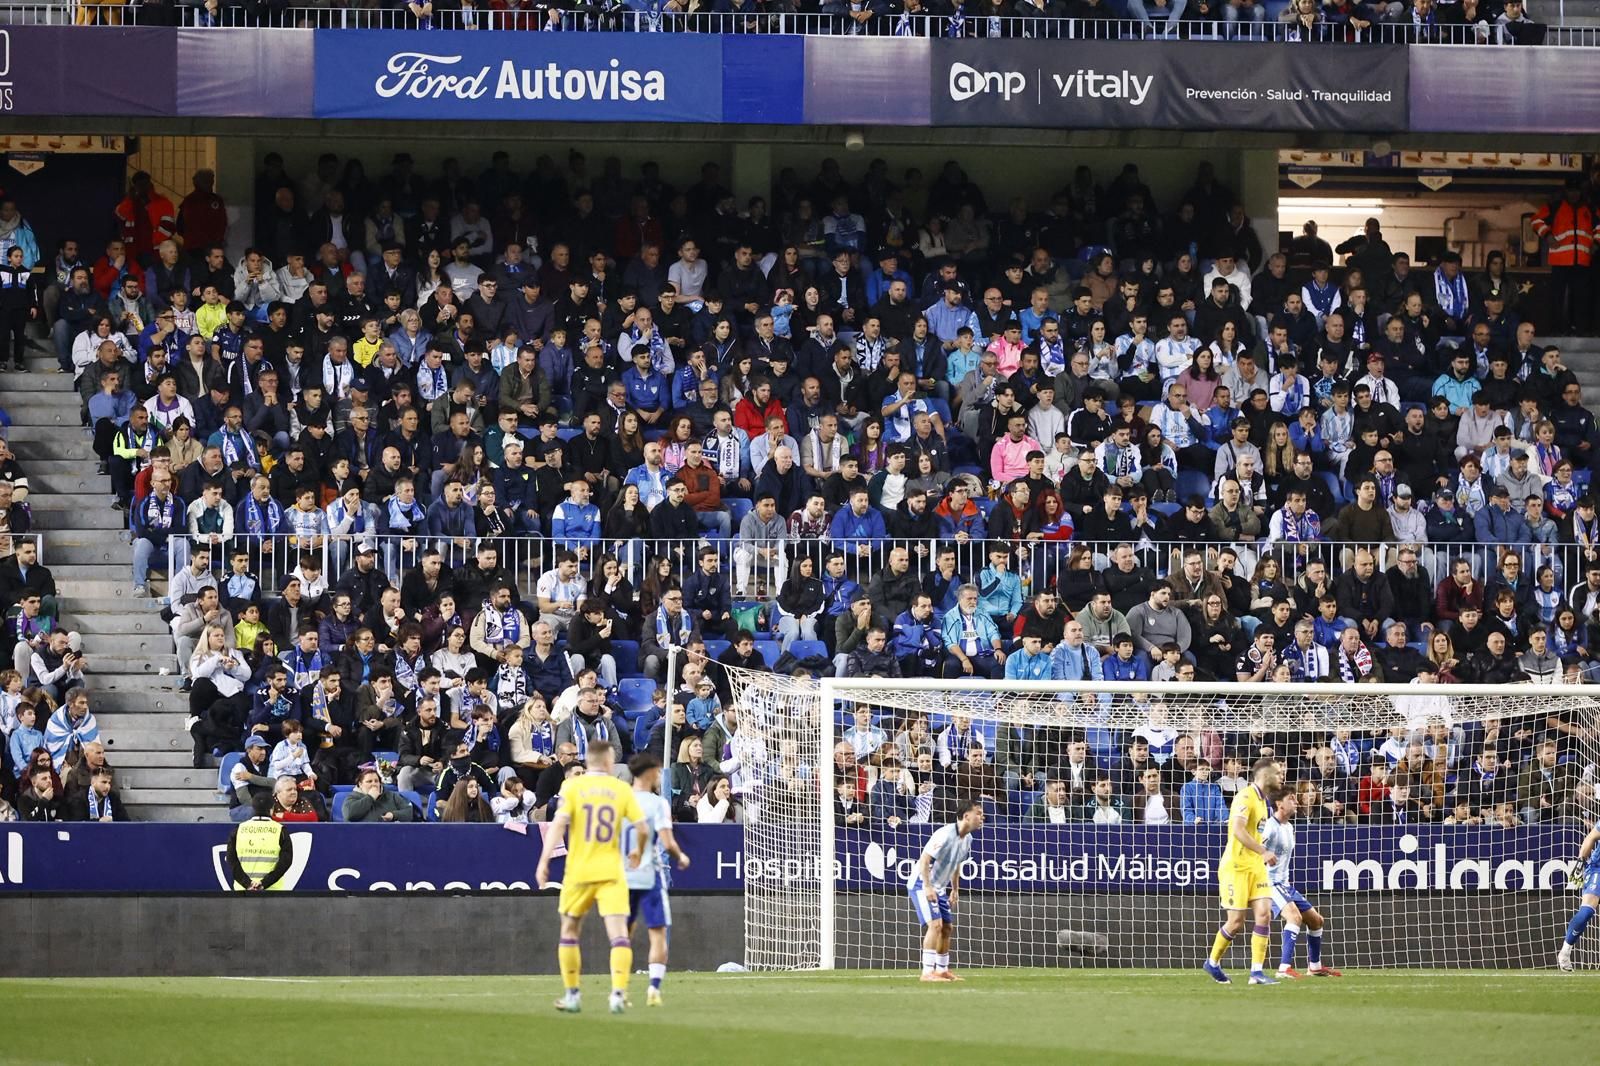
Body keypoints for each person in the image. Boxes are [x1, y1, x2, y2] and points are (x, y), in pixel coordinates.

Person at [535, 739, 647, 1015]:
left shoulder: (572, 786)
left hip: (579, 871)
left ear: (587, 761)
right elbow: (642, 828)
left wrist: (544, 860)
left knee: (570, 930)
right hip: (611, 870)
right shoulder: (621, 788)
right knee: (619, 935)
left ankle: (573, 995)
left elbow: (558, 824)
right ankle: (618, 994)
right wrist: (637, 852)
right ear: (609, 762)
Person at [1203, 756, 1284, 986]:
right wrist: (1263, 851)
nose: (1281, 776)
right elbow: (1238, 830)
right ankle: (1213, 962)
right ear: (1264, 775)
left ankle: (1257, 972)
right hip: (1236, 867)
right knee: (1236, 922)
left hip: (1256, 867)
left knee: (1264, 914)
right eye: (1277, 773)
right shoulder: (1245, 796)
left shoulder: (1264, 801)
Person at [624, 753, 691, 1008]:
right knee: (658, 932)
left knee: (622, 935)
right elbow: (667, 842)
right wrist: (681, 857)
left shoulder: (619, 801)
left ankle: (620, 990)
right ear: (651, 773)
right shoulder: (657, 803)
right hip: (650, 873)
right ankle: (653, 988)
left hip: (623, 874)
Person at [1260, 787, 1341, 980]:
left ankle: (1314, 967)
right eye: (1291, 799)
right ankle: (1283, 968)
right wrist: (1263, 854)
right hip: (1269, 884)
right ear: (1279, 804)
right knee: (1294, 918)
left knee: (1316, 921)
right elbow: (1255, 850)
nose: (1296, 802)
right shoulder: (1269, 826)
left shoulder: (1289, 826)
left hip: (1285, 885)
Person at [908, 796, 986, 983]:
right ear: (967, 816)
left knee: (947, 928)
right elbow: (925, 859)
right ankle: (927, 973)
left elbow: (956, 864)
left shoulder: (968, 839)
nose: (982, 817)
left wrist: (955, 890)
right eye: (979, 814)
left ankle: (942, 970)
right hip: (921, 883)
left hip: (941, 888)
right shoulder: (944, 834)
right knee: (935, 925)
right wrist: (927, 887)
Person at [225, 791, 294, 891]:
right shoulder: (280, 830)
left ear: (253, 808)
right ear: (272, 808)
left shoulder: (239, 830)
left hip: (242, 892)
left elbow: (231, 860)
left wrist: (247, 884)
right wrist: (264, 883)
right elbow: (285, 862)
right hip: (272, 891)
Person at [1559, 816, 1600, 971]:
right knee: (1587, 911)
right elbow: (1591, 837)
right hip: (1598, 868)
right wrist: (1581, 860)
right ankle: (1565, 952)